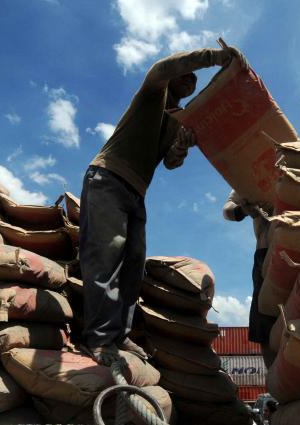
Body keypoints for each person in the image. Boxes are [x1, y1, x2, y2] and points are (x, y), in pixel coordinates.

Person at [80, 45, 248, 366]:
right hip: (108, 178)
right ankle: (100, 338)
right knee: (105, 256)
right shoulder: (152, 93)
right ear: (173, 78)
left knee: (132, 265)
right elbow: (162, 68)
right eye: (185, 75)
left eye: (193, 80)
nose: (190, 81)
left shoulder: (177, 120)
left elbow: (171, 162)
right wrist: (215, 58)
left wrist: (182, 146)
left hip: (136, 193)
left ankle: (119, 335)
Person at [222, 190, 277, 368]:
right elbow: (227, 210)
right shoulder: (251, 172)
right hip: (266, 250)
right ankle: (278, 385)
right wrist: (243, 211)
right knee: (265, 323)